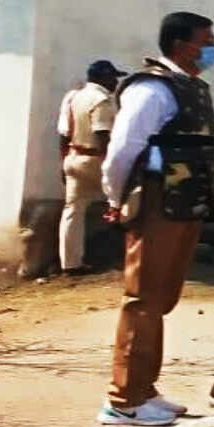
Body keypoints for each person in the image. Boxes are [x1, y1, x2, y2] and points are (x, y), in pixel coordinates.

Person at [97, 11, 214, 427]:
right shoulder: (152, 89)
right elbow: (123, 149)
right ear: (179, 44)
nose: (211, 48)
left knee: (161, 298)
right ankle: (122, 400)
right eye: (205, 40)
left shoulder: (189, 87)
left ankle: (143, 389)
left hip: (183, 201)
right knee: (142, 299)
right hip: (155, 200)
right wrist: (116, 197)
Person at [56, 60, 123, 275]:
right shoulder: (102, 100)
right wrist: (112, 166)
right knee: (127, 201)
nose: (115, 82)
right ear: (104, 77)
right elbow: (102, 134)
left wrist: (63, 162)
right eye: (113, 78)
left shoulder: (72, 97)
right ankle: (127, 255)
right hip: (95, 159)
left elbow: (63, 134)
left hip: (73, 157)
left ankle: (70, 264)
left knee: (72, 211)